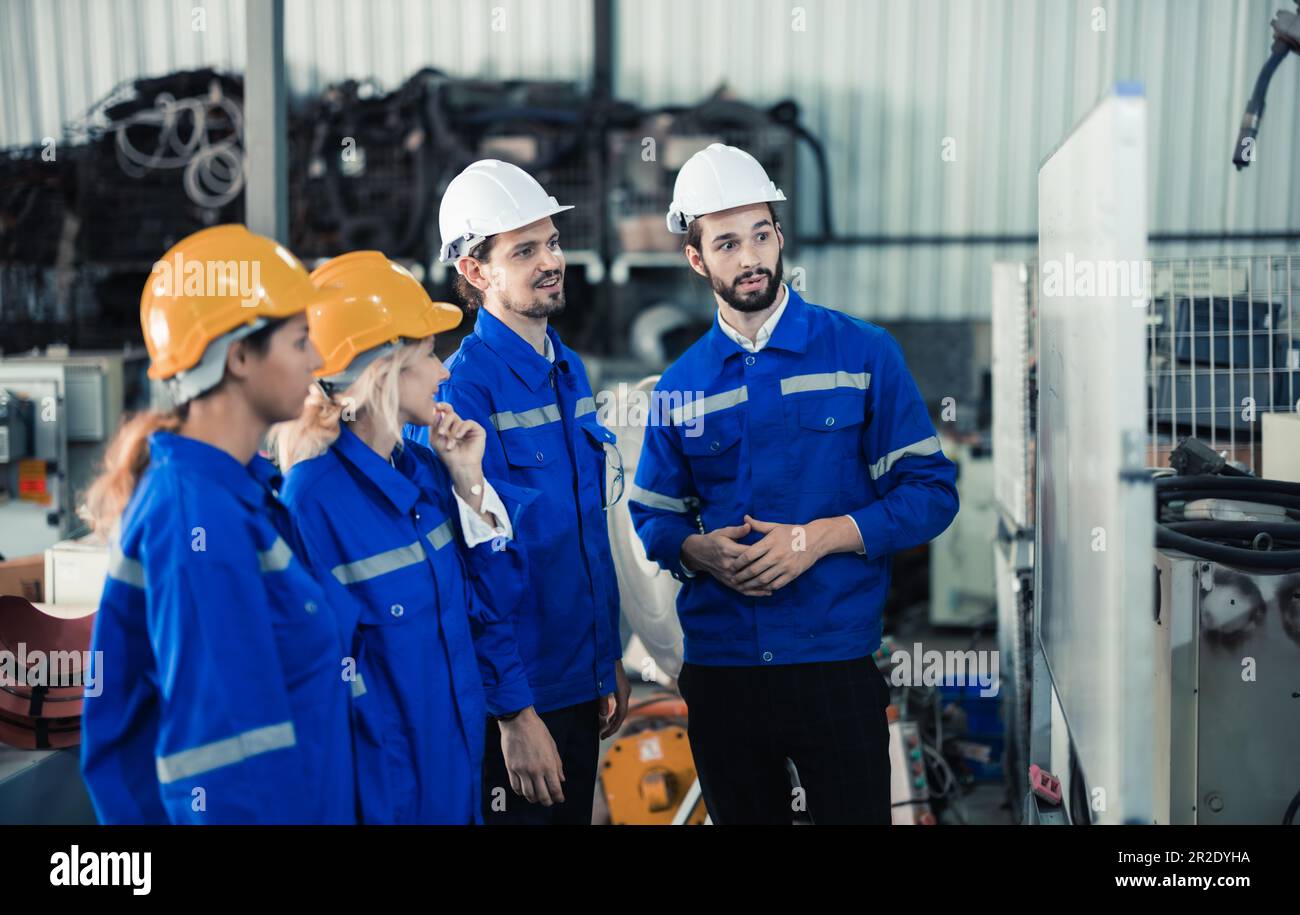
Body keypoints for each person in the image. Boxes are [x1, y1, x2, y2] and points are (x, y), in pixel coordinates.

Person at [629, 144, 960, 824]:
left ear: (779, 237)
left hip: (833, 660)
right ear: (697, 259)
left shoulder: (863, 353)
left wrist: (819, 539)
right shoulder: (681, 385)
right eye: (726, 242)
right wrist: (699, 551)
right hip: (722, 669)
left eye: (761, 234)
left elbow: (932, 492)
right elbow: (654, 518)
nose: (750, 256)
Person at [80, 225, 359, 824]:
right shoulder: (197, 519)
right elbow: (225, 765)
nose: (317, 360)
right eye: (299, 340)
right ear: (237, 356)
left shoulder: (238, 496)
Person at [272, 251, 534, 824]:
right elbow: (312, 693)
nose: (445, 371)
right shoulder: (310, 503)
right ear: (385, 370)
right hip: (383, 802)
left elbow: (493, 602)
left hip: (455, 782)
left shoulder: (424, 468)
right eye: (428, 355)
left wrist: (469, 484)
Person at [407, 159, 629, 824]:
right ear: (475, 272)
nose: (551, 261)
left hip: (579, 677)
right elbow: (471, 562)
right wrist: (513, 711)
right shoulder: (461, 391)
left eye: (553, 242)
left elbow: (587, 526)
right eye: (524, 250)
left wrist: (606, 656)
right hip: (520, 693)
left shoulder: (569, 367)